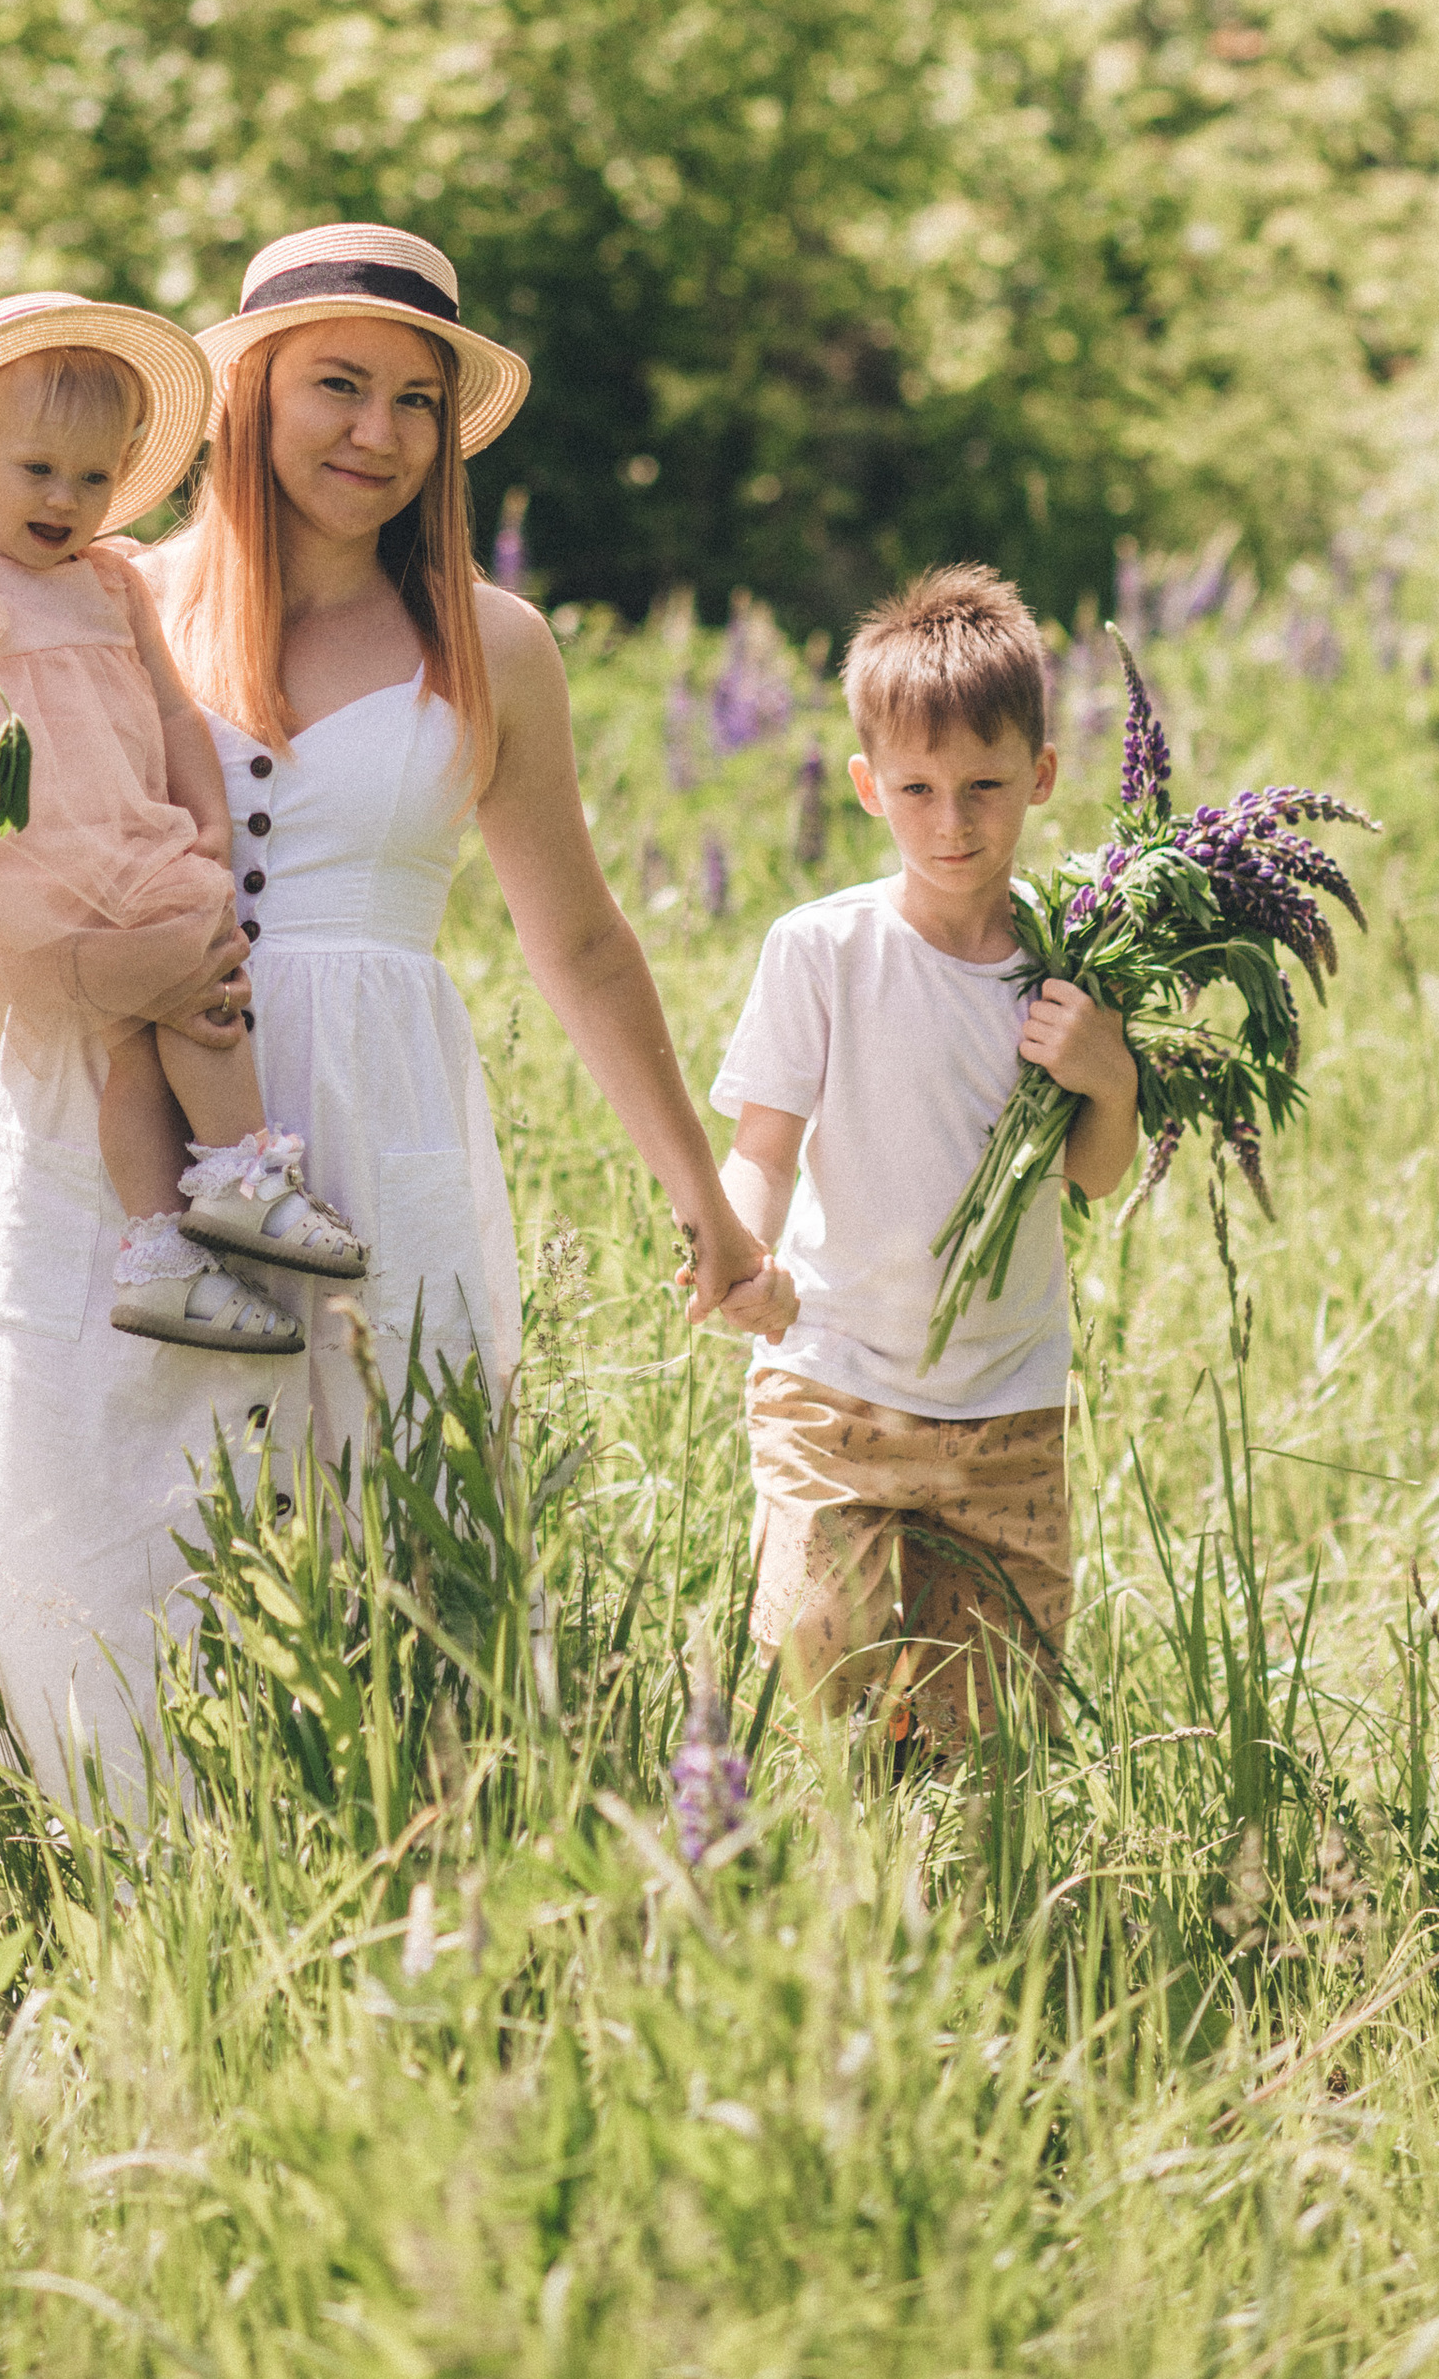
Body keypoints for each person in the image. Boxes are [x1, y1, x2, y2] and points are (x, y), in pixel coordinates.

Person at [141, 221, 790, 1479]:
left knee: (393, 1518)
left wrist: (704, 1202)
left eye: (416, 402)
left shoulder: (491, 644)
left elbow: (583, 941)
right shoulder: (127, 602)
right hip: (133, 1118)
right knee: (137, 1526)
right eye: (338, 384)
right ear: (250, 390)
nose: (377, 434)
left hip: (376, 1109)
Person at [0, 293, 367, 1362]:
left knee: (132, 1044)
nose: (66, 500)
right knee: (199, 986)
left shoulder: (111, 580)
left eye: (93, 479)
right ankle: (244, 1174)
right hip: (24, 870)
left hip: (129, 843)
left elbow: (166, 709)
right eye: (38, 471)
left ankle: (159, 1254)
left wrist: (205, 821)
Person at [712, 562, 1139, 1761]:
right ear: (866, 788)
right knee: (819, 1651)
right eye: (918, 789)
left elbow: (1095, 1174)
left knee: (990, 1734)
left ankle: (953, 1916)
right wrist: (738, 1249)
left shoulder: (1072, 956)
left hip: (1007, 1405)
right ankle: (821, 1877)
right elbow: (763, 1148)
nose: (953, 822)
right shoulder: (821, 951)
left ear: (1042, 777)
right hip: (835, 1380)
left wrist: (1107, 1072)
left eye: (986, 787)